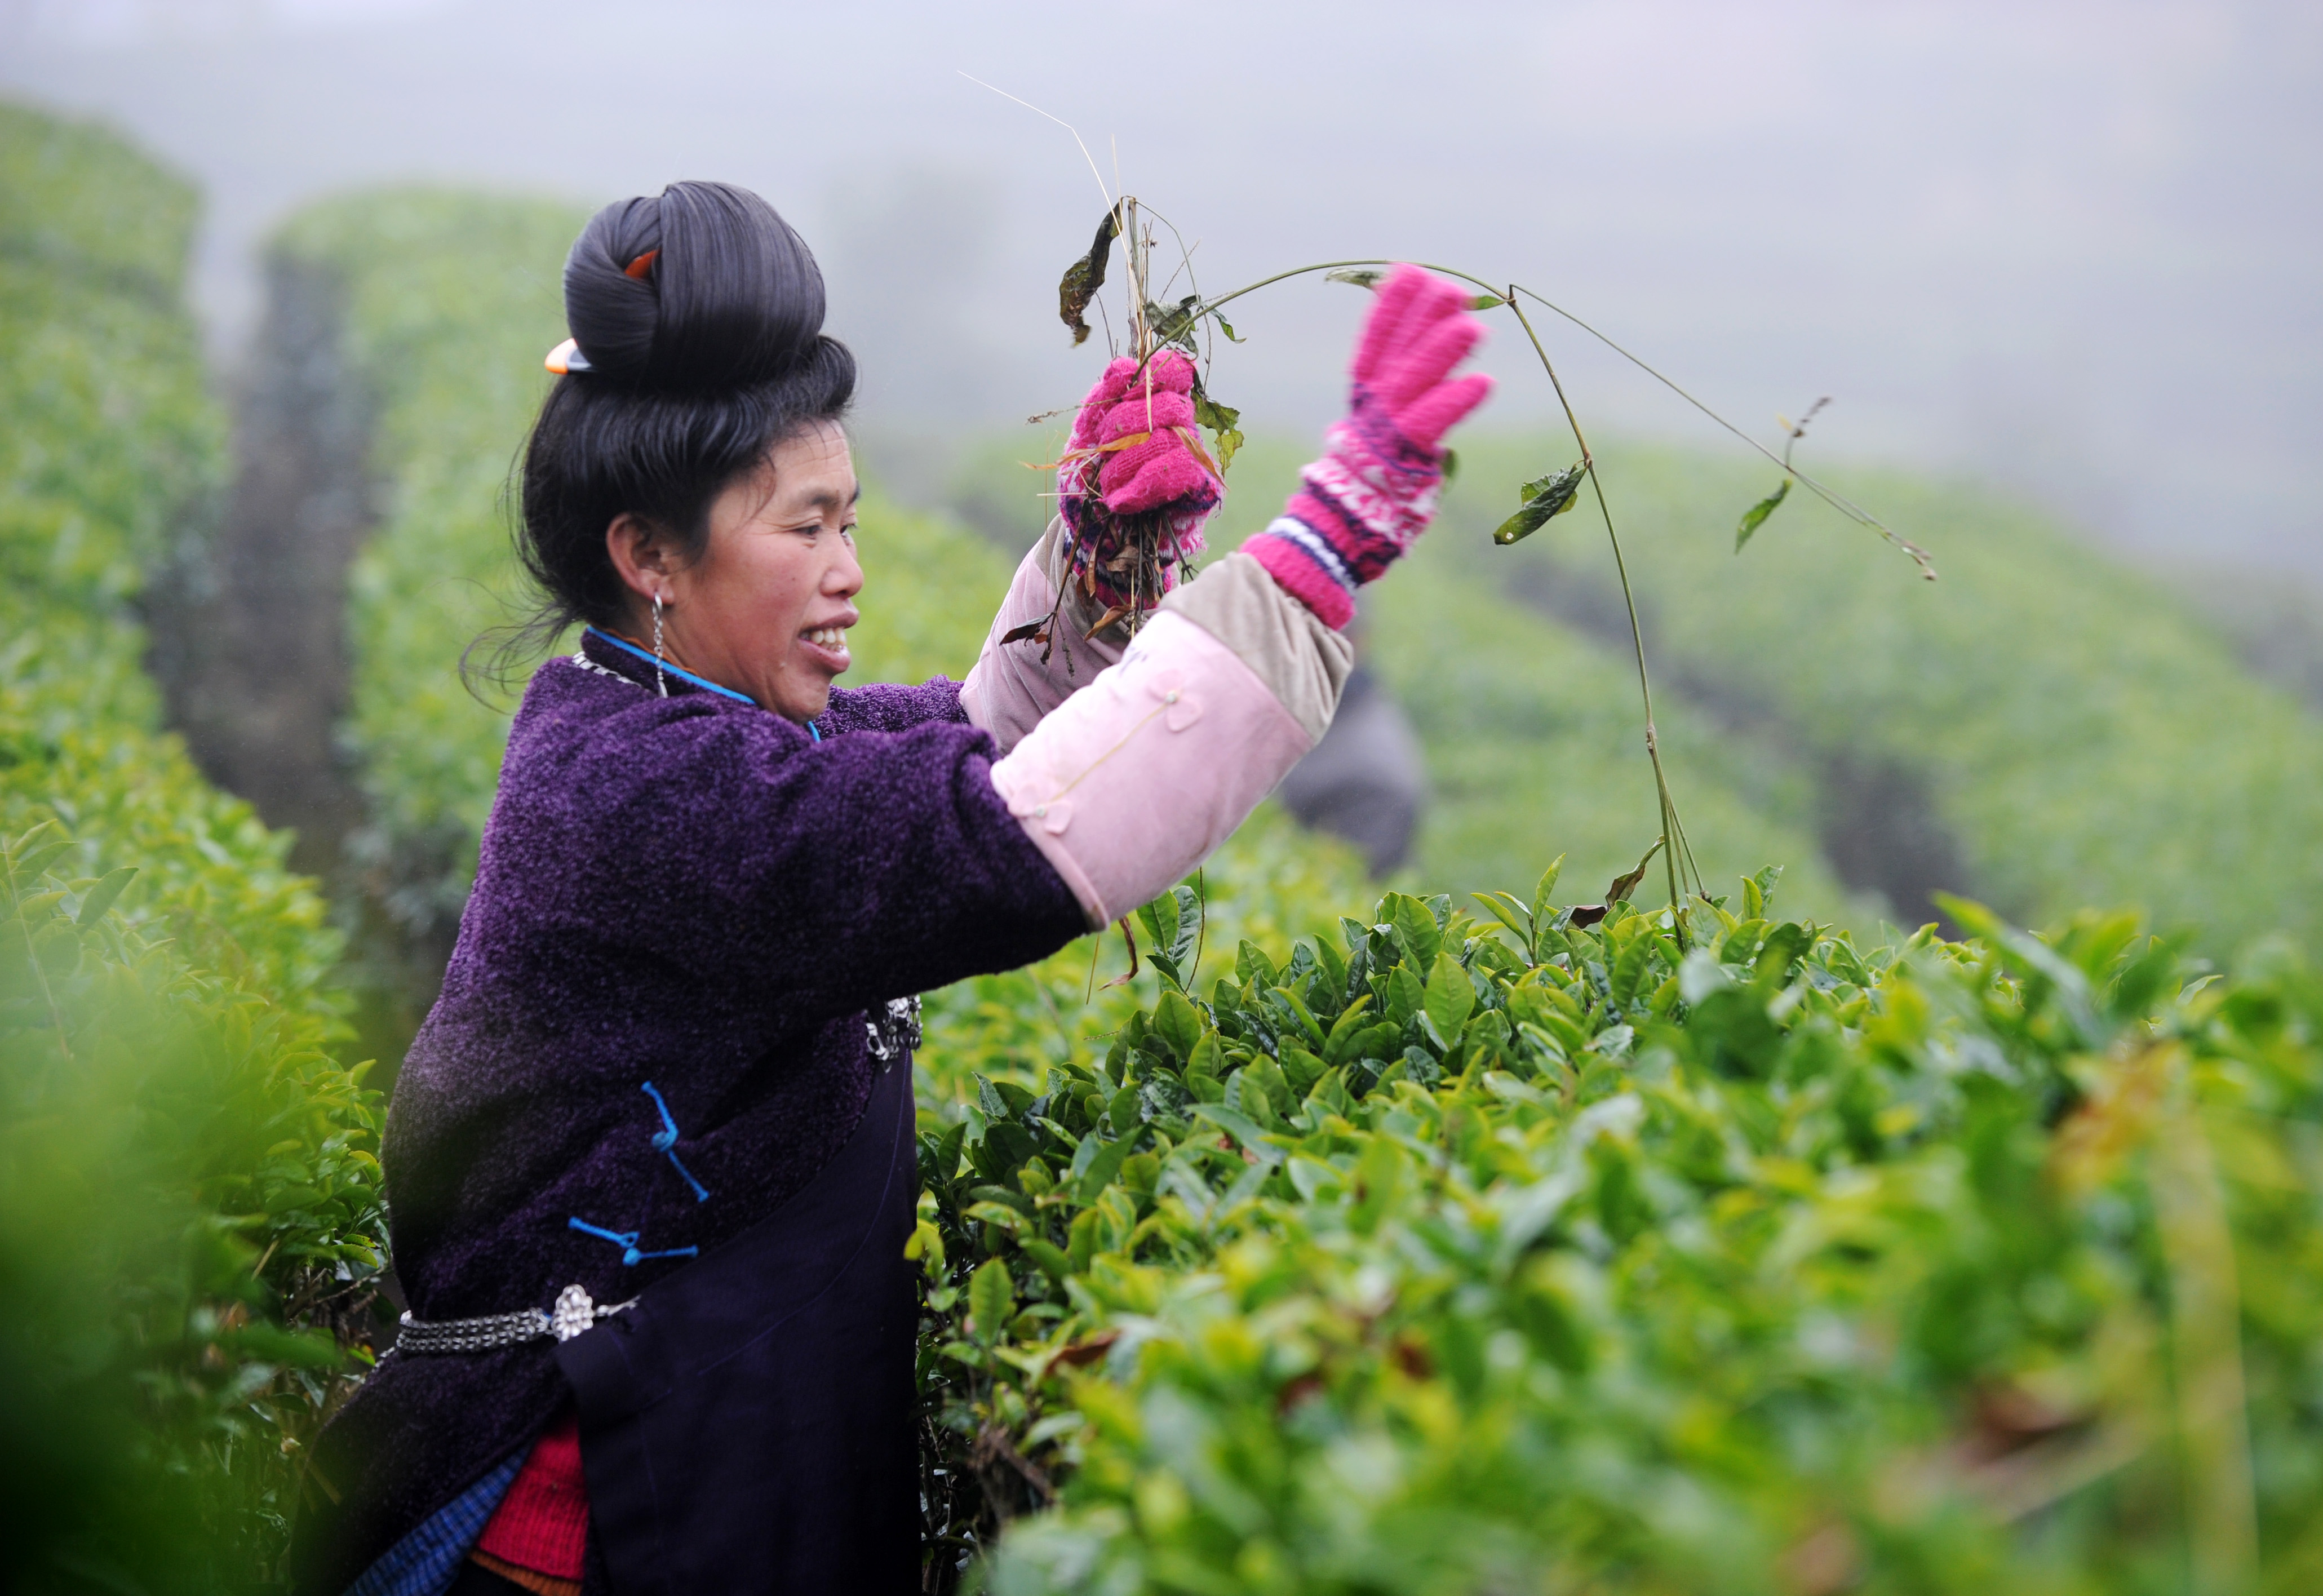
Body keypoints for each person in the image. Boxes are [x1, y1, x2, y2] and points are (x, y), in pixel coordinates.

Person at [298, 180, 1489, 1596]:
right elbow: (991, 840)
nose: (850, 573)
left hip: (700, 1468)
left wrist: (1098, 573)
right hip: (599, 1518)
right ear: (650, 557)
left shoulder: (685, 734)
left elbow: (966, 751)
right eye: (804, 531)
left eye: (850, 522)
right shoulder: (639, 791)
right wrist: (1318, 554)